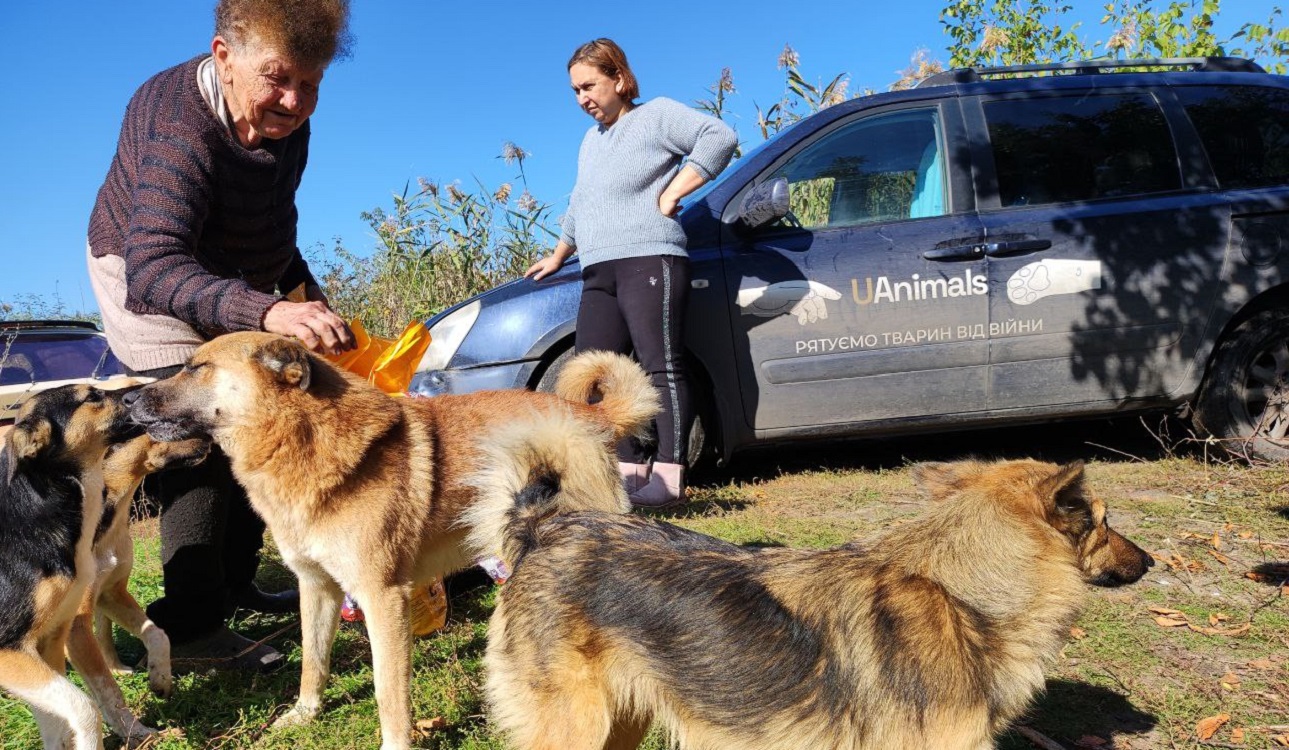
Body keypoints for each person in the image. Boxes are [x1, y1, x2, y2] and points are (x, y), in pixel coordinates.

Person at [85, 0, 356, 670]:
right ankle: (193, 629)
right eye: (277, 78)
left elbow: (271, 226)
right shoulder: (180, 127)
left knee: (262, 407)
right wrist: (265, 314)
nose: (293, 101)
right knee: (198, 427)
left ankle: (233, 587)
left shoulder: (286, 122)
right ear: (223, 55)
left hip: (225, 269)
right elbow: (155, 266)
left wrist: (304, 297)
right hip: (140, 266)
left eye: (311, 85)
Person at [525, 38, 737, 508]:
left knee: (660, 366)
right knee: (592, 375)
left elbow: (719, 138)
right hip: (597, 267)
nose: (583, 98)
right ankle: (627, 471)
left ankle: (669, 476)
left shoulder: (656, 115)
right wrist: (560, 253)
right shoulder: (590, 142)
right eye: (575, 91)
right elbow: (581, 202)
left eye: (589, 86)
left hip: (650, 257)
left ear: (619, 79)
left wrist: (674, 192)